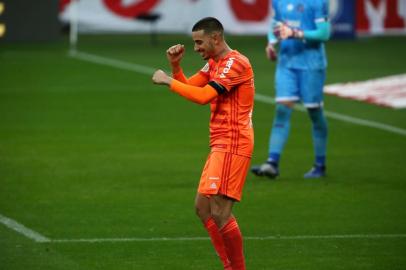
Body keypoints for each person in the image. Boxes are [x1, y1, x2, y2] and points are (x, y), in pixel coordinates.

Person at [152, 17, 254, 270]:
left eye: (199, 42)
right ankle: (228, 266)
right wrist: (176, 68)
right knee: (203, 208)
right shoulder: (214, 64)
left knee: (220, 212)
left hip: (233, 142)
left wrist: (168, 81)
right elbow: (191, 87)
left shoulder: (235, 63)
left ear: (215, 38)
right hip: (220, 143)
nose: (196, 48)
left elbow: (204, 96)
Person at [251, 0, 331, 179]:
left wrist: (295, 33)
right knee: (282, 110)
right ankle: (272, 163)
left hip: (311, 65)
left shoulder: (318, 2)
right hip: (286, 63)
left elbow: (324, 33)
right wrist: (272, 43)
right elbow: (275, 24)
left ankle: (320, 164)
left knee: (314, 112)